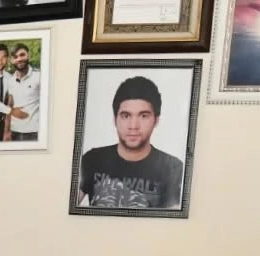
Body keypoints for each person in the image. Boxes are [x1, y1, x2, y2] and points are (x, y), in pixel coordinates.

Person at [77, 75, 185, 210]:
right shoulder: (92, 159)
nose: (133, 126)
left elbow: (175, 218)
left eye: (143, 116)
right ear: (115, 119)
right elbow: (64, 205)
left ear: (156, 120)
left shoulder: (172, 168)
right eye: (126, 116)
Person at [7, 43, 41, 142]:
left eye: (22, 55)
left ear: (28, 55)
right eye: (15, 57)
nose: (19, 59)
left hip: (35, 133)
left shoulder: (39, 76)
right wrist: (6, 132)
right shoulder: (10, 80)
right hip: (14, 133)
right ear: (11, 60)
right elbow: (9, 106)